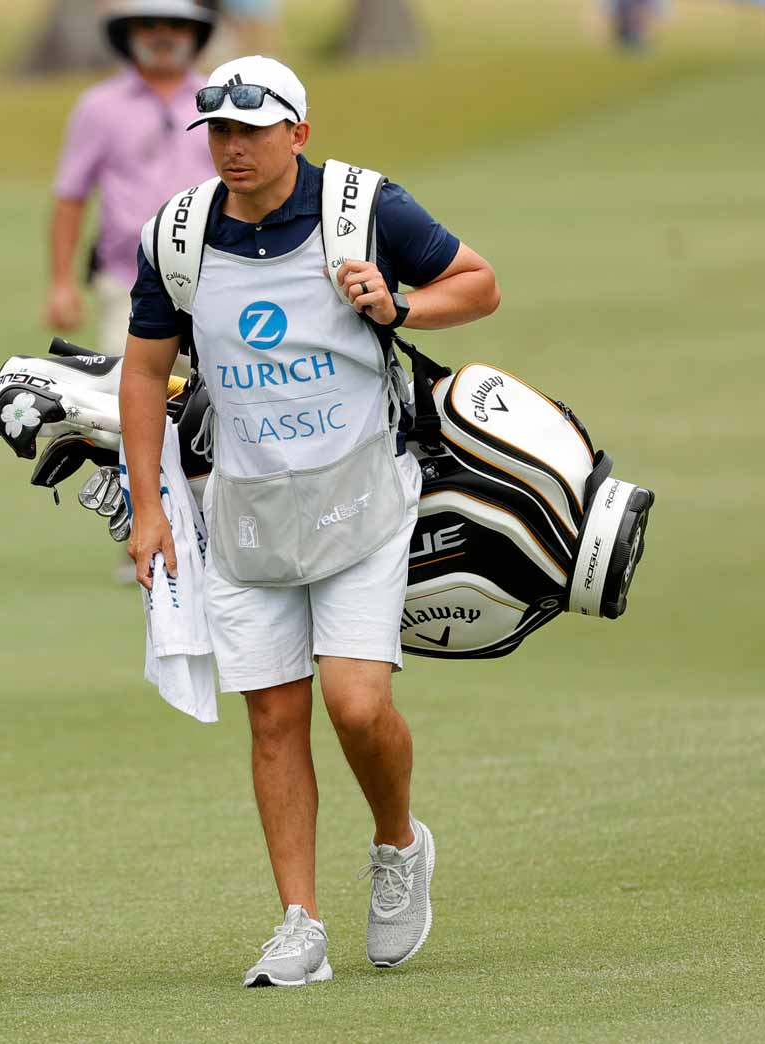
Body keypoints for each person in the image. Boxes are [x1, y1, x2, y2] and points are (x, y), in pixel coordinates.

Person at [119, 55, 500, 987]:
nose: (232, 149)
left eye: (251, 131)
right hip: (246, 513)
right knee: (274, 720)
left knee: (356, 705)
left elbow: (479, 285)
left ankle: (398, 844)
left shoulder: (365, 208)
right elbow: (141, 370)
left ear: (298, 131)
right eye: (217, 132)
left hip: (362, 500)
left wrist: (401, 302)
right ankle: (299, 922)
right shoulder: (176, 233)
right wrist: (148, 506)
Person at [47, 0, 215, 357]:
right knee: (131, 399)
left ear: (196, 34)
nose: (162, 35)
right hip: (128, 281)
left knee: (212, 401)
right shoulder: (99, 106)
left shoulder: (216, 101)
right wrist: (62, 284)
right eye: (149, 25)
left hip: (213, 278)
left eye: (176, 25)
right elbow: (70, 197)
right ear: (129, 34)